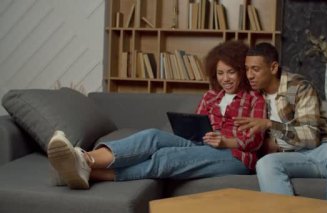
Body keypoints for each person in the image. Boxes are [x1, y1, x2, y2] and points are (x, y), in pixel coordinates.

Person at [47, 40, 266, 189]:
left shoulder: (254, 98)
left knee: (166, 156)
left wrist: (225, 141)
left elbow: (255, 141)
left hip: (235, 157)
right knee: (152, 135)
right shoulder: (211, 97)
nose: (225, 79)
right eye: (220, 73)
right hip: (201, 146)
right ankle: (84, 159)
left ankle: (88, 172)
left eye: (231, 72)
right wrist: (192, 132)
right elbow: (198, 127)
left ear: (241, 72)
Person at [234, 42, 327, 213]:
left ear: (273, 67)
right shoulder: (253, 95)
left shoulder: (299, 87)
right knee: (265, 164)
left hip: (323, 148)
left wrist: (270, 125)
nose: (249, 75)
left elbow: (311, 138)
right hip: (293, 156)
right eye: (247, 69)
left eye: (255, 69)